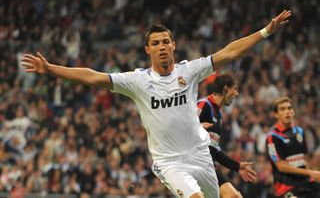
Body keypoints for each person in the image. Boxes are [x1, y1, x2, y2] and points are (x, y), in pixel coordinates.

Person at [22, 10, 291, 198]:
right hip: (169, 161)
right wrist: (51, 69)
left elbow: (230, 52)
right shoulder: (137, 81)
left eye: (165, 42)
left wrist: (266, 31)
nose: (161, 46)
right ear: (147, 50)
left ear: (174, 45)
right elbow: (93, 77)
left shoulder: (190, 71)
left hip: (200, 154)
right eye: (155, 43)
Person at [197, 74, 257, 198]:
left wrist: (237, 166)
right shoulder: (203, 105)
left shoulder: (218, 114)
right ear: (225, 89)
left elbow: (214, 150)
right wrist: (195, 128)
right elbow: (183, 129)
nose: (237, 93)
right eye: (234, 89)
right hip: (194, 165)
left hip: (208, 166)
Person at [266, 96, 320, 198]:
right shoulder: (272, 137)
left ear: (294, 112)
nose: (287, 111)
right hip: (287, 188)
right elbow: (281, 166)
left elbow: (304, 159)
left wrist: (312, 174)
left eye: (289, 108)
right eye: (282, 109)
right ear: (276, 114)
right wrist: (310, 172)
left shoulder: (300, 131)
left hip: (307, 183)